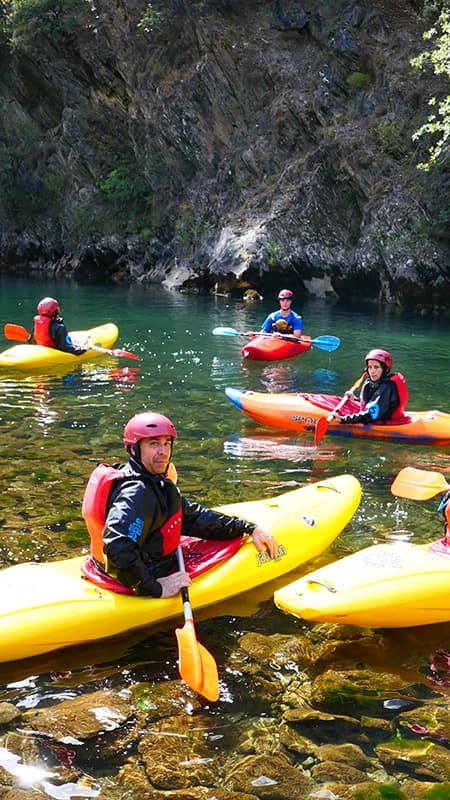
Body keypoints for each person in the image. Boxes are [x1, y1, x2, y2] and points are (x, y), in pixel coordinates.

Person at [82, 411, 279, 598]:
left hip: (108, 567)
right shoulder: (137, 493)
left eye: (167, 443)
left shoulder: (149, 480)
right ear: (134, 449)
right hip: (139, 577)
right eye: (154, 444)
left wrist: (246, 527)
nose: (163, 452)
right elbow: (117, 547)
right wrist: (156, 587)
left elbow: (190, 517)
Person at [331, 349, 408, 425]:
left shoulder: (386, 387)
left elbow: (371, 415)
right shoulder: (379, 383)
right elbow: (375, 403)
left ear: (385, 369)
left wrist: (343, 419)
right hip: (377, 415)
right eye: (370, 367)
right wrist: (354, 399)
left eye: (376, 367)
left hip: (383, 420)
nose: (372, 371)